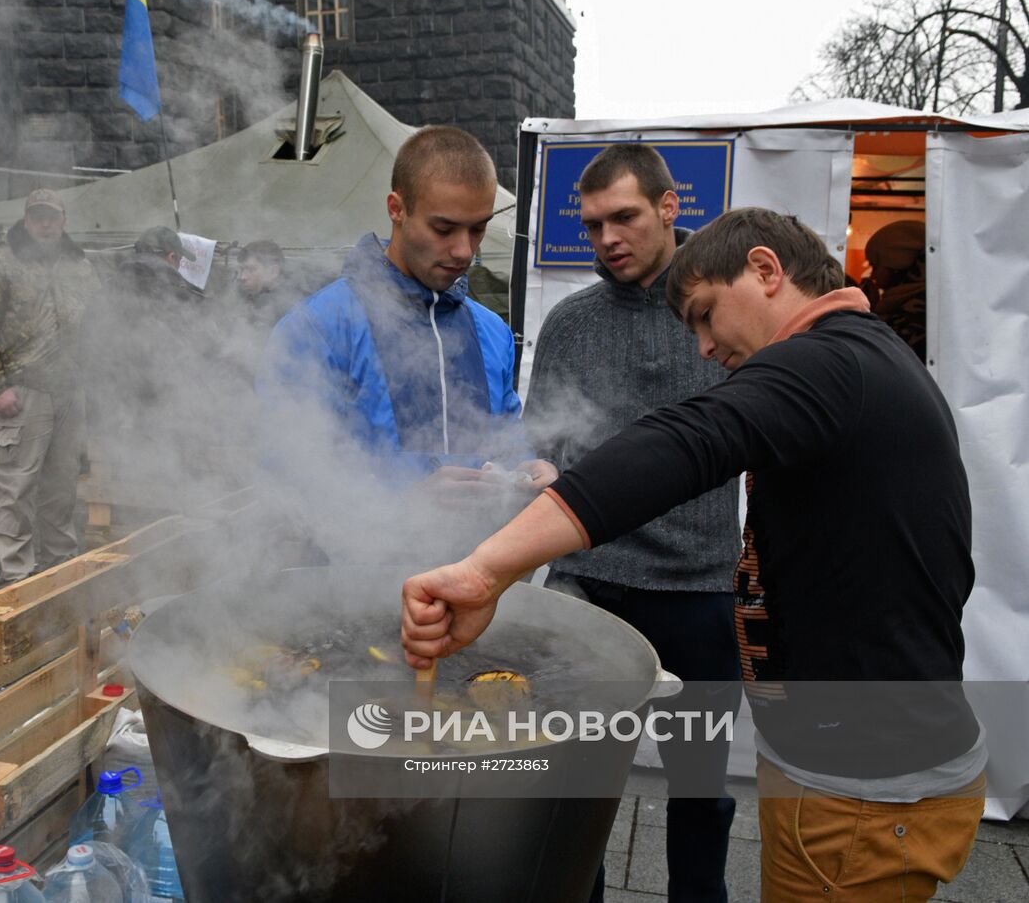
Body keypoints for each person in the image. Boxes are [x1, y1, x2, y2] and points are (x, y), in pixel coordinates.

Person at [401, 208, 985, 903]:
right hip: (858, 766)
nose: (704, 348)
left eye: (707, 315)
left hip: (861, 789)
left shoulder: (830, 361)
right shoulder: (866, 359)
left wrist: (484, 568)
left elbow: (687, 440)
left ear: (767, 271)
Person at [524, 144, 741, 902]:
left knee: (702, 790)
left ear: (669, 207)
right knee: (571, 787)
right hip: (587, 587)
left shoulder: (724, 314)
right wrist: (523, 477)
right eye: (591, 225)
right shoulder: (570, 323)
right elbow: (540, 449)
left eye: (624, 216)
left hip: (700, 590)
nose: (607, 237)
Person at [257, 125, 553, 494]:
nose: (465, 251)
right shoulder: (316, 328)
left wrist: (525, 467)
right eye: (444, 229)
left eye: (478, 229)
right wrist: (408, 491)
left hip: (484, 551)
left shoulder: (492, 330)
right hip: (360, 552)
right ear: (396, 209)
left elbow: (506, 441)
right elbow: (286, 465)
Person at [0, 189, 98, 582]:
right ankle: (16, 574)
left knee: (62, 487)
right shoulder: (1, 264)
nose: (45, 223)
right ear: (26, 221)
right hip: (23, 392)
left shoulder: (80, 266)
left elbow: (96, 325)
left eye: (51, 216)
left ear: (63, 221)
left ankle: (60, 564)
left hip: (70, 391)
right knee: (17, 489)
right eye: (37, 217)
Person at [866, 219, 927, 361]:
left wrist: (868, 313)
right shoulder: (908, 300)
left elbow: (880, 355)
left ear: (895, 265)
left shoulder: (916, 309)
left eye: (876, 266)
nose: (872, 275)